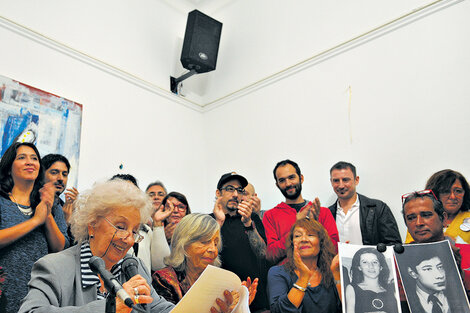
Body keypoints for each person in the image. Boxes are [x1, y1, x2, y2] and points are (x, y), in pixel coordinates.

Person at [19, 180, 233, 313]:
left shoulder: (133, 267)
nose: (129, 240)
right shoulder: (54, 267)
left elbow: (159, 309)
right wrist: (108, 309)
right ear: (92, 223)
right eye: (121, 226)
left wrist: (204, 310)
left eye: (134, 231)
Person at [0, 142, 69, 313]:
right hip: (4, 292)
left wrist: (46, 213)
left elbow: (59, 248)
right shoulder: (1, 201)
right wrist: (34, 221)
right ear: (9, 167)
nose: (30, 162)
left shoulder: (51, 204)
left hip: (39, 293)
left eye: (34, 158)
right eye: (22, 158)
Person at [152, 213, 257, 307]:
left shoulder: (221, 282)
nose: (213, 249)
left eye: (215, 244)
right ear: (183, 244)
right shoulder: (164, 279)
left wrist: (239, 307)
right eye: (204, 241)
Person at [211, 172, 269, 312]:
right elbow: (206, 255)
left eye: (240, 190)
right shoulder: (209, 221)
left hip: (256, 300)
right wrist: (218, 222)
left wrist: (249, 224)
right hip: (223, 302)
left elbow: (262, 253)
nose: (236, 194)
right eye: (230, 189)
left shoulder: (252, 218)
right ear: (218, 193)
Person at [263, 159, 339, 264]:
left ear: (301, 178)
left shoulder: (323, 212)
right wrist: (295, 226)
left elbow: (334, 251)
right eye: (282, 180)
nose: (288, 183)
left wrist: (316, 227)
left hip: (320, 275)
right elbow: (271, 255)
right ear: (277, 185)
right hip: (287, 275)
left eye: (291, 177)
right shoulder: (270, 215)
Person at [267, 218, 341, 313]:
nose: (304, 239)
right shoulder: (277, 272)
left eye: (310, 235)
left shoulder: (331, 272)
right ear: (292, 243)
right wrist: (303, 277)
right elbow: (279, 311)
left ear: (321, 242)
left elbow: (347, 308)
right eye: (297, 236)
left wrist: (338, 275)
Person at [328, 161, 401, 245]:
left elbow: (394, 245)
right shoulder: (328, 214)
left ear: (356, 180)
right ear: (331, 182)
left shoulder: (377, 208)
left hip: (370, 258)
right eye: (336, 181)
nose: (341, 185)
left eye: (345, 180)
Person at [405, 169, 470, 244]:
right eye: (445, 191)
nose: (453, 196)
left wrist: (455, 242)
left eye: (458, 191)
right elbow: (410, 250)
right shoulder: (418, 220)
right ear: (434, 194)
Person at [346, 247, 398, 313]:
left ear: (381, 267)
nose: (371, 266)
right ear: (359, 267)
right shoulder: (352, 288)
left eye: (375, 262)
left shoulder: (392, 288)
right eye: (365, 262)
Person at [151, 191, 191, 271]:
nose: (176, 210)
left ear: (187, 211)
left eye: (181, 207)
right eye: (170, 206)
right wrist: (163, 237)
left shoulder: (194, 232)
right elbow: (158, 266)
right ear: (163, 209)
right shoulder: (154, 231)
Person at [42, 153, 79, 225]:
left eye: (64, 174)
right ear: (41, 174)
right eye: (54, 173)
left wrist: (74, 214)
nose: (61, 178)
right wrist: (64, 221)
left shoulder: (63, 206)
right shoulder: (29, 203)